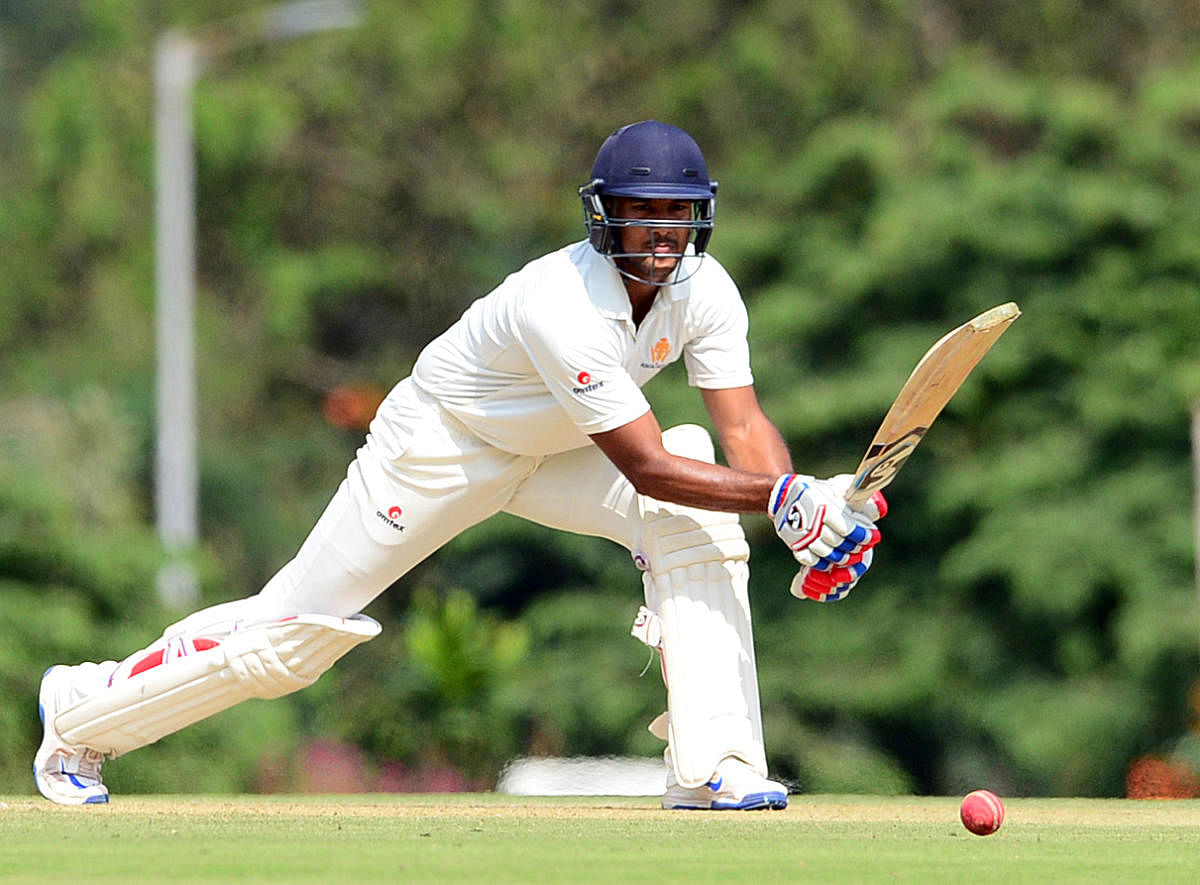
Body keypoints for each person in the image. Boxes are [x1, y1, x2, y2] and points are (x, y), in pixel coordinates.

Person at [34, 120, 884, 810]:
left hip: (555, 453)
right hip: (440, 447)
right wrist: (783, 499)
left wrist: (809, 508)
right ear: (605, 215)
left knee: (700, 502)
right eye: (641, 212)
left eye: (677, 213)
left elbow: (742, 425)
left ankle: (714, 763)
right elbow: (648, 465)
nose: (662, 234)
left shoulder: (707, 290)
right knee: (293, 634)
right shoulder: (563, 305)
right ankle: (82, 710)